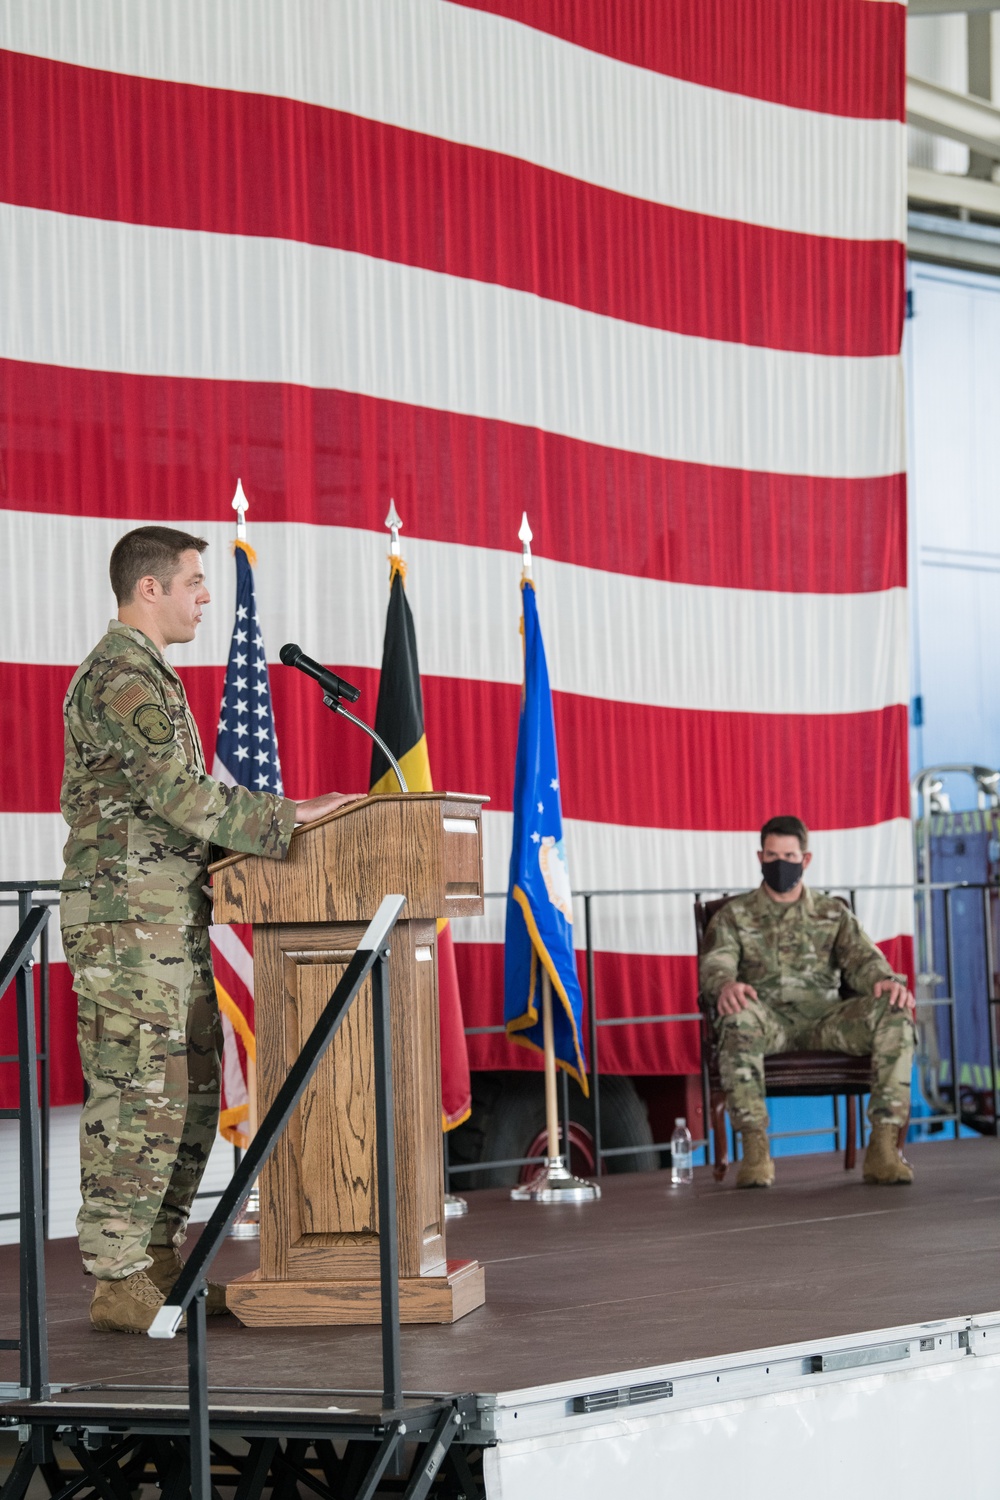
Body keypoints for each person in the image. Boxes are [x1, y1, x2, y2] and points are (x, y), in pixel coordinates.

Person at [60, 526, 358, 1332]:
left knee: (187, 1100)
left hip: (169, 918)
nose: (204, 595)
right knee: (139, 1096)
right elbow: (179, 796)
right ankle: (117, 1274)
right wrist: (288, 815)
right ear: (148, 588)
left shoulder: (153, 674)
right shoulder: (121, 675)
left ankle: (158, 1264)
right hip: (128, 928)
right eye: (193, 581)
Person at [699, 815, 917, 1190]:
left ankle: (883, 1146)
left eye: (788, 855)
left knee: (895, 1011)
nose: (779, 863)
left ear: (806, 859)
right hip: (767, 1021)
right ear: (760, 856)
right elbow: (717, 961)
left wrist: (884, 981)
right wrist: (726, 985)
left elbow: (864, 961)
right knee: (737, 1017)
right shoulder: (733, 916)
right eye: (771, 855)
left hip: (828, 1020)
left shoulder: (832, 913)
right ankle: (755, 1150)